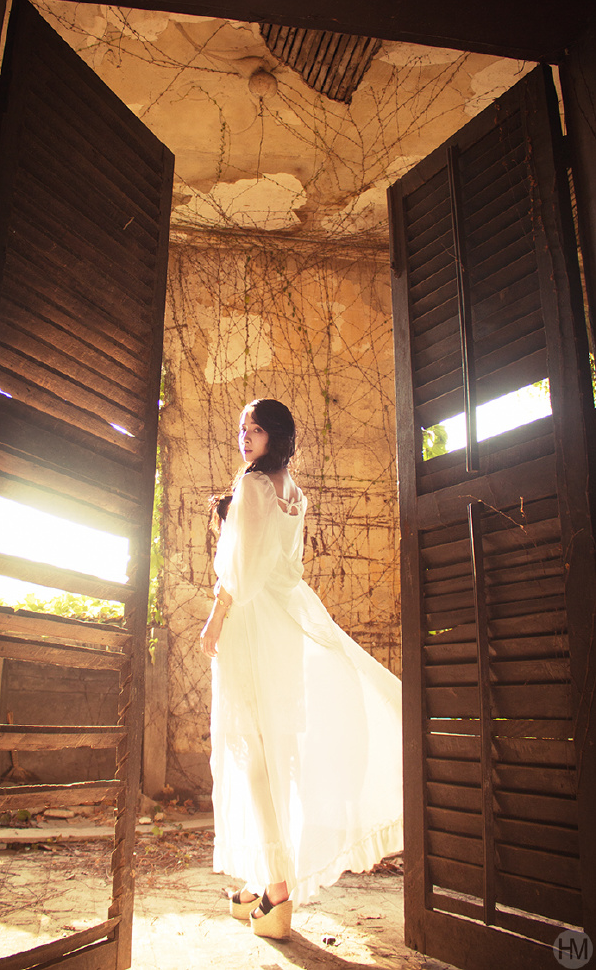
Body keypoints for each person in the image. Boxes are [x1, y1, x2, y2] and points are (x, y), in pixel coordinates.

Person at [200, 398, 403, 940]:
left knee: (254, 758)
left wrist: (214, 621)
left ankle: (278, 892)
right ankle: (259, 881)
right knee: (273, 755)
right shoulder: (294, 495)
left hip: (251, 629)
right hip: (283, 630)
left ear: (277, 437)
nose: (246, 436)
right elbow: (278, 563)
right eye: (243, 427)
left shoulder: (252, 486)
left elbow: (240, 573)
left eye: (257, 429)